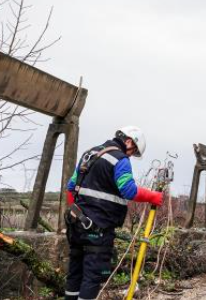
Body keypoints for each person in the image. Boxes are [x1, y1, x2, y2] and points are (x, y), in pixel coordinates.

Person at [64, 126, 163, 300]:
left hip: (76, 224)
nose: (131, 155)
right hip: (98, 228)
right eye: (133, 151)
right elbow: (128, 190)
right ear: (129, 141)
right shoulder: (120, 159)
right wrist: (152, 196)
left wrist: (76, 213)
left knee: (75, 273)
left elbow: (71, 188)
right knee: (92, 277)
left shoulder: (89, 154)